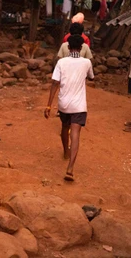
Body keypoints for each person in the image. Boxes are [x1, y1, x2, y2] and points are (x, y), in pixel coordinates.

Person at [44, 35, 94, 181]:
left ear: (67, 47)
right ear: (82, 47)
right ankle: (70, 167)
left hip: (63, 104)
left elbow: (54, 83)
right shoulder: (86, 62)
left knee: (65, 128)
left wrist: (48, 105)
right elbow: (91, 77)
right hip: (79, 105)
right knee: (76, 133)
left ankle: (66, 152)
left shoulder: (61, 62)